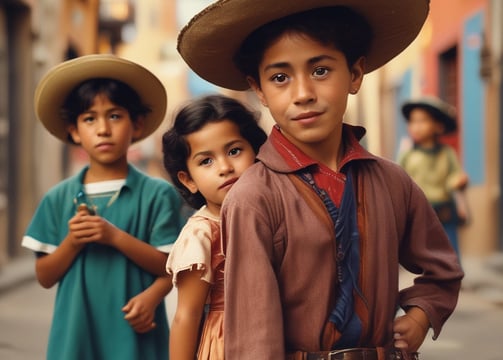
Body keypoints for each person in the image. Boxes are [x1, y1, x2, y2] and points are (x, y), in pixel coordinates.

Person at [176, 1, 464, 359]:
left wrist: (421, 315)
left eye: (321, 70)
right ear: (260, 90)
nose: (303, 94)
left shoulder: (392, 182)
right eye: (280, 78)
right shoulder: (254, 197)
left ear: (355, 74)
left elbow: (443, 270)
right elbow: (254, 335)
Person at [22, 54, 185, 360]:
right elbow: (44, 276)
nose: (102, 129)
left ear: (136, 124)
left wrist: (114, 237)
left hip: (136, 341)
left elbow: (171, 267)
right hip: (74, 340)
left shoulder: (157, 193)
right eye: (89, 119)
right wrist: (72, 242)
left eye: (114, 116)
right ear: (73, 131)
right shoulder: (57, 198)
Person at [162, 94, 267, 360]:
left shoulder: (271, 216)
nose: (225, 167)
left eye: (234, 151)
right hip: (227, 346)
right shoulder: (203, 234)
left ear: (256, 153)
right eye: (206, 161)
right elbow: (187, 315)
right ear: (188, 180)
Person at [398, 96, 470, 259]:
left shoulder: (447, 153)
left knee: (450, 249)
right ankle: (431, 280)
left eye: (422, 121)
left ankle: (452, 279)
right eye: (413, 121)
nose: (416, 126)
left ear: (438, 126)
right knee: (425, 252)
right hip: (420, 212)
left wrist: (458, 180)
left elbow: (454, 175)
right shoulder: (408, 156)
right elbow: (399, 181)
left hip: (445, 210)